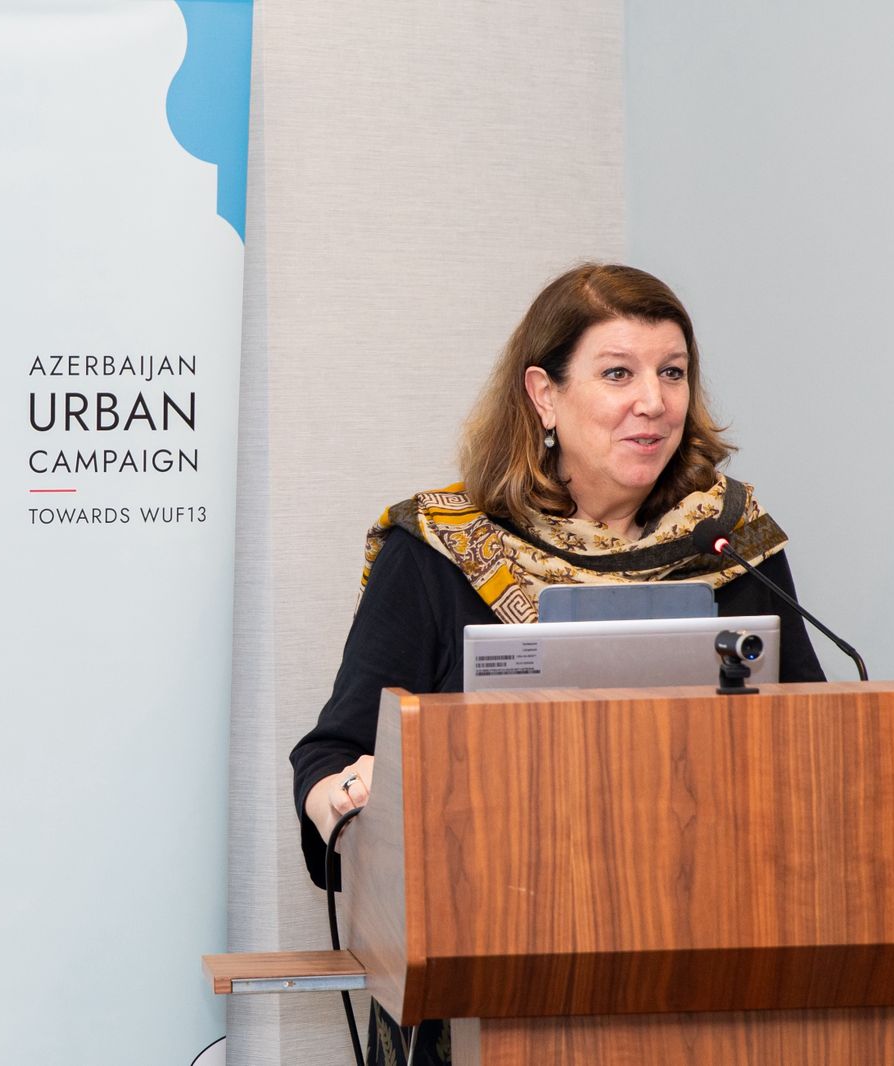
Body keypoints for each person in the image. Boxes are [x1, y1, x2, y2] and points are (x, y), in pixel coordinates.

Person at [289, 263, 826, 1066]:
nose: (654, 401)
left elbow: (812, 738)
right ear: (543, 395)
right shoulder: (441, 552)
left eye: (672, 372)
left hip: (713, 973)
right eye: (618, 373)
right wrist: (352, 797)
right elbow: (331, 755)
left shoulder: (728, 544)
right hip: (485, 975)